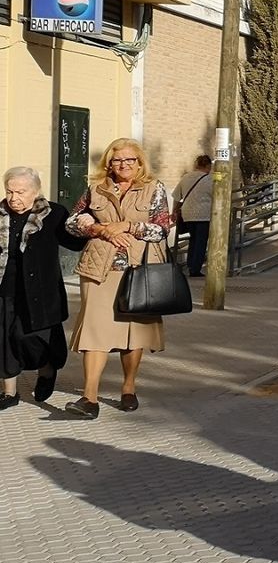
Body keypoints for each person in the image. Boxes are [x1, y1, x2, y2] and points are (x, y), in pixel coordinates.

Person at [62, 138, 177, 419]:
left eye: (130, 160)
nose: (123, 165)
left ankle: (128, 388)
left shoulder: (154, 188)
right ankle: (89, 399)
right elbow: (72, 223)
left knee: (133, 333)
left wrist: (127, 226)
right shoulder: (96, 189)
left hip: (139, 269)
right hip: (99, 269)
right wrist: (102, 229)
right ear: (108, 163)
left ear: (140, 163)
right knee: (95, 333)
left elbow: (161, 229)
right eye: (117, 160)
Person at [1, 167, 88, 409]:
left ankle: (47, 369)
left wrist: (85, 224)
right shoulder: (0, 213)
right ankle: (9, 392)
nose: (13, 197)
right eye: (9, 191)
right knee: (5, 338)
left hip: (41, 289)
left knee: (33, 338)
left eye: (20, 192)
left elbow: (74, 242)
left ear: (36, 191)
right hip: (6, 286)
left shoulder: (53, 213)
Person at [174, 155, 213, 277]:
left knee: (193, 240)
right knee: (200, 242)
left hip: (187, 214)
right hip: (204, 215)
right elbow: (217, 197)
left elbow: (176, 196)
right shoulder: (210, 179)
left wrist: (174, 211)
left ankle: (191, 265)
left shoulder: (186, 177)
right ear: (208, 166)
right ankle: (195, 269)